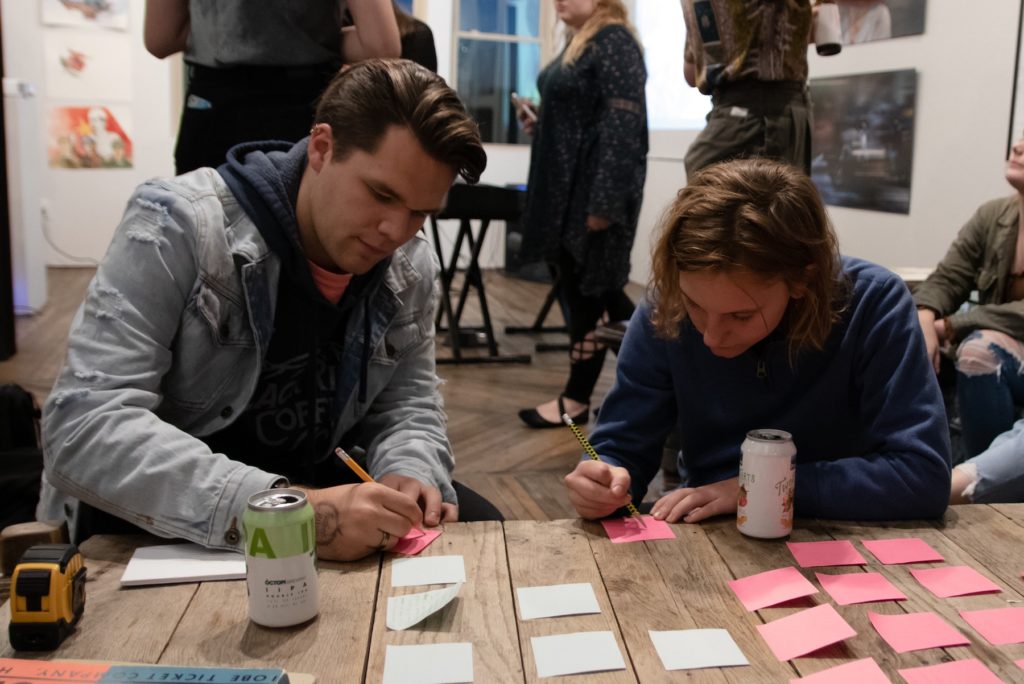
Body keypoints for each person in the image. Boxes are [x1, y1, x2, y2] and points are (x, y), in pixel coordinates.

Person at [38, 59, 496, 562]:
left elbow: (408, 404)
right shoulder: (177, 223)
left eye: (420, 212)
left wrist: (410, 468)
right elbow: (83, 427)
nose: (395, 231)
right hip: (165, 513)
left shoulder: (410, 264)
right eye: (381, 194)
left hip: (317, 492)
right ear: (321, 147)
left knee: (486, 532)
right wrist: (292, 513)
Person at [564, 158, 951, 524]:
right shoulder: (665, 305)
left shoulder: (874, 303)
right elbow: (623, 445)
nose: (712, 337)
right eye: (696, 306)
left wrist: (759, 490)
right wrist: (603, 479)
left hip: (839, 531)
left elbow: (922, 476)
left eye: (741, 316)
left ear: (802, 279)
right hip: (708, 527)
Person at [515, 0, 647, 429]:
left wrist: (604, 205)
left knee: (595, 294)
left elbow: (624, 128)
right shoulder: (584, 41)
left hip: (592, 196)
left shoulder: (614, 41)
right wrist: (542, 123)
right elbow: (582, 118)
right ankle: (664, 385)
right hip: (570, 194)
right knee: (591, 295)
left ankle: (580, 398)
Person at [144, 0, 401, 174]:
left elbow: (160, 39)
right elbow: (380, 45)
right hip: (301, 105)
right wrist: (311, 42)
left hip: (214, 106)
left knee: (206, 237)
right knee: (296, 245)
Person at [915, 135, 1024, 502]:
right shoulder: (995, 214)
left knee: (980, 353)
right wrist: (926, 316)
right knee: (922, 344)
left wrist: (953, 325)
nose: (1018, 146)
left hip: (1000, 354)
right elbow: (949, 276)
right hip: (1001, 355)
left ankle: (976, 494)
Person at [680, 0, 815, 176]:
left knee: (708, 185)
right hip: (756, 108)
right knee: (708, 186)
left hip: (763, 109)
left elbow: (691, 72)